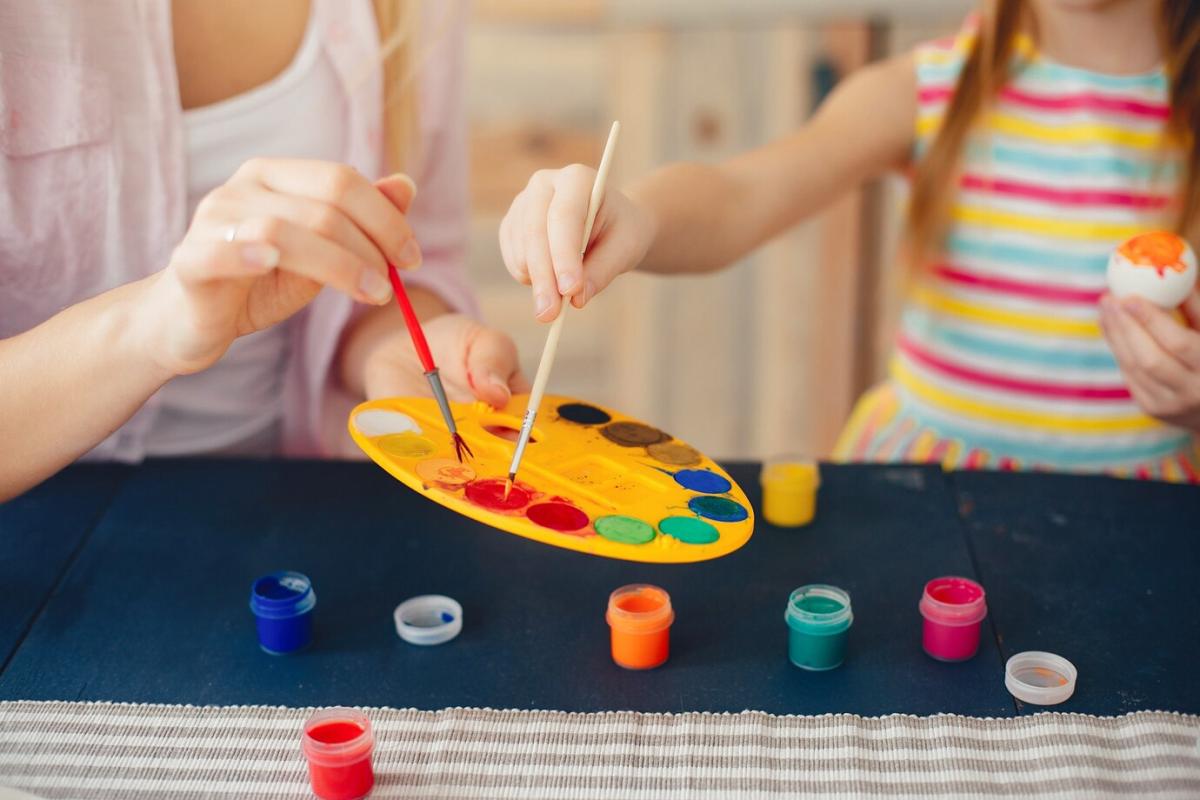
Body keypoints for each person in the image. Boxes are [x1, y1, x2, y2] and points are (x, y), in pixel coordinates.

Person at [499, 0, 1200, 481]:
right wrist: (636, 212)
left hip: (1144, 504)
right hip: (928, 489)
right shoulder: (927, 90)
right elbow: (742, 194)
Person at [0, 0, 528, 501]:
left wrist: (399, 346)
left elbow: (416, 264)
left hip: (289, 498)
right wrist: (149, 328)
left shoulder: (410, 11)